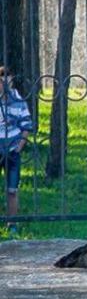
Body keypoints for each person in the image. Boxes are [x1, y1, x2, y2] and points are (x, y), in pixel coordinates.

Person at [0, 66, 33, 235]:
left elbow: (26, 123)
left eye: (7, 80)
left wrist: (20, 146)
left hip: (12, 147)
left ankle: (12, 224)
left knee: (12, 190)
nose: (4, 84)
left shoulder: (18, 99)